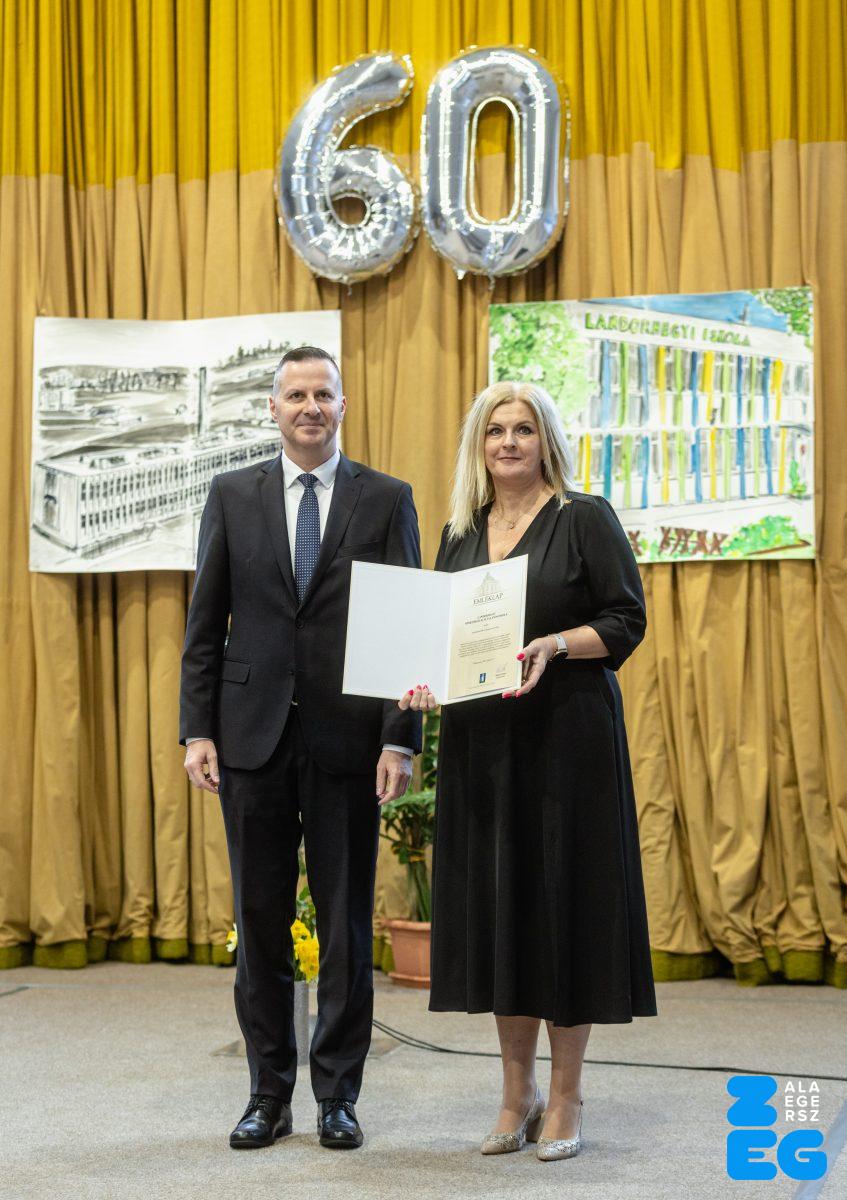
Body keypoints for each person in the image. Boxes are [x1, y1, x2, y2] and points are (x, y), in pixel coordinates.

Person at [400, 381, 657, 1162]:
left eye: (522, 429)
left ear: (545, 441)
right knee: (500, 914)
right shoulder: (459, 532)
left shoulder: (583, 517)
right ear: (477, 446)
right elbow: (438, 638)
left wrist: (556, 644)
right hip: (482, 748)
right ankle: (516, 1093)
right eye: (494, 431)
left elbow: (625, 619)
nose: (507, 442)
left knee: (562, 911)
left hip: (568, 743)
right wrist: (421, 680)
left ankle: (567, 1093)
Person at [180, 346, 422, 1152]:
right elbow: (204, 622)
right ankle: (266, 1093)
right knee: (260, 923)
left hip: (349, 742)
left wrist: (400, 739)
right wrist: (198, 729)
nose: (309, 406)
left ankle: (338, 1097)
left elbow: (407, 628)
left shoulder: (385, 498)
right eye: (295, 395)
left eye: (323, 394)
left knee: (346, 927)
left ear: (342, 405)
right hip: (249, 740)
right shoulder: (231, 494)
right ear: (273, 409)